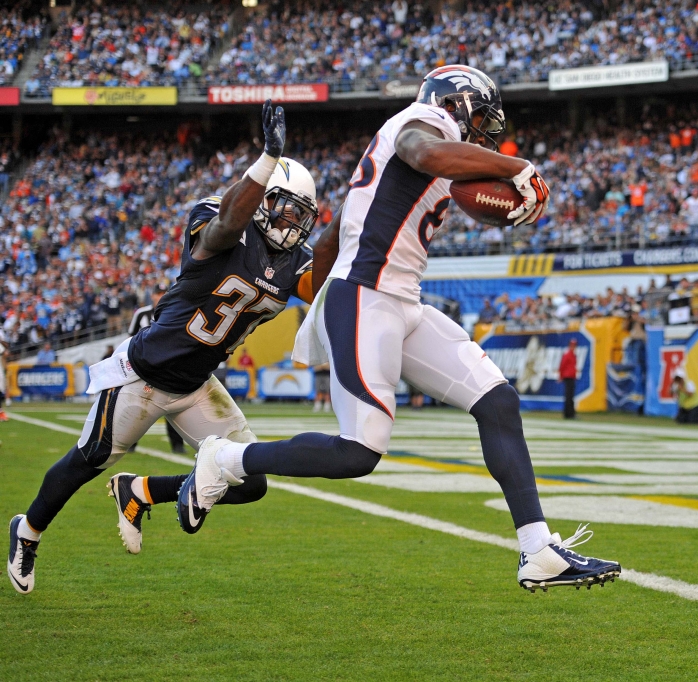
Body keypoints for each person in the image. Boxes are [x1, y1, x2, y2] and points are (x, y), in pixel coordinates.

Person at [177, 66, 620, 593]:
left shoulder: (400, 150)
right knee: (358, 453)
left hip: (397, 301)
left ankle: (538, 550)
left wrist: (326, 298)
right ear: (455, 103)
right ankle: (224, 457)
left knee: (498, 401)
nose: (484, 133)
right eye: (480, 117)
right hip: (367, 295)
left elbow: (329, 242)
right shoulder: (420, 120)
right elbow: (425, 152)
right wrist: (517, 166)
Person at [8, 100, 338, 595]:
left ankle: (141, 491)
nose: (293, 222)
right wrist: (267, 158)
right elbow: (226, 225)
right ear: (264, 195)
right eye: (286, 208)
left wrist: (356, 213)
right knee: (88, 458)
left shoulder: (296, 260)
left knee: (252, 480)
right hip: (145, 374)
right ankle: (27, 532)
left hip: (197, 384)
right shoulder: (219, 218)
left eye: (302, 215)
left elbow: (324, 282)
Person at [126, 282, 185, 454]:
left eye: (162, 293)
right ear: (152, 295)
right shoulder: (142, 314)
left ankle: (177, 444)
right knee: (139, 407)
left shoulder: (175, 312)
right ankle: (131, 443)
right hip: (145, 366)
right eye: (157, 293)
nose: (159, 296)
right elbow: (131, 339)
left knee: (172, 406)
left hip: (168, 366)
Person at [558, 338, 579, 419]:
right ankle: (568, 414)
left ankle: (570, 414)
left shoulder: (573, 355)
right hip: (568, 377)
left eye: (575, 345)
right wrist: (561, 376)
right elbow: (562, 365)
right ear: (570, 345)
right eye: (572, 345)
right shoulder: (567, 354)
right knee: (568, 396)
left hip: (572, 377)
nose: (573, 347)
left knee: (570, 396)